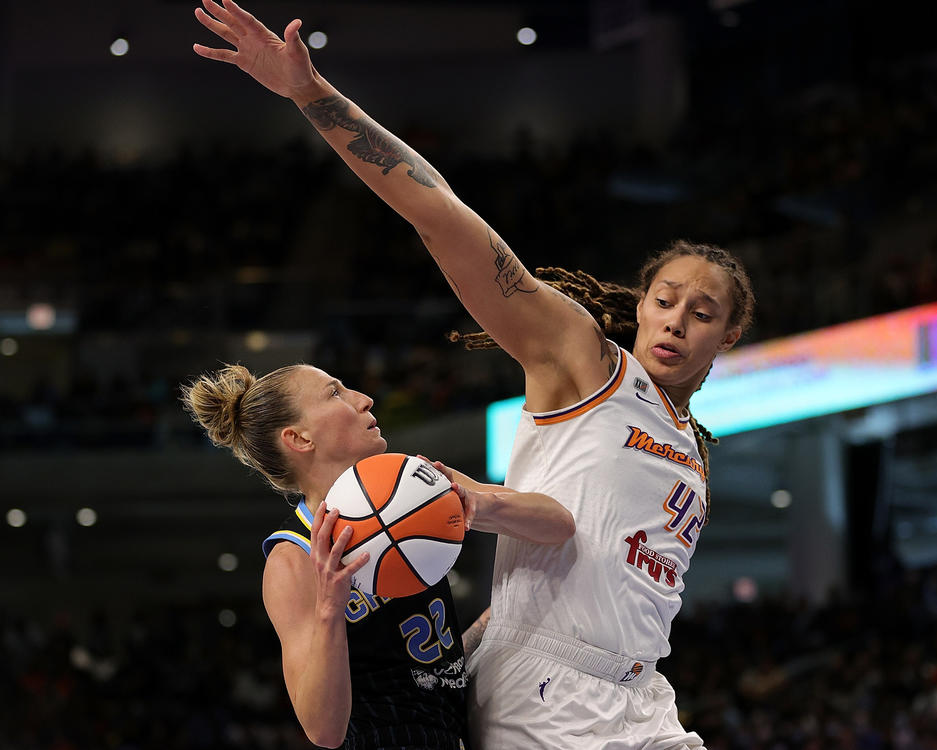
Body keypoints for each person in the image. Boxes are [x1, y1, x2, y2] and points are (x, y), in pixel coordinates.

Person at [192, 1, 755, 746]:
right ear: (642, 304)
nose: (678, 320)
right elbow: (442, 217)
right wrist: (313, 95)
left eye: (703, 311)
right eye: (666, 299)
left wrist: (485, 605)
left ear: (731, 333)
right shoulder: (582, 360)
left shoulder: (690, 444)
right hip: (555, 692)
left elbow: (567, 533)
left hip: (640, 690)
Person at [180, 363, 575, 749]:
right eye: (335, 392)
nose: (365, 400)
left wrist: (482, 505)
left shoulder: (420, 481)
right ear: (299, 439)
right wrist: (330, 611)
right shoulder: (294, 558)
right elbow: (324, 731)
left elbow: (560, 524)